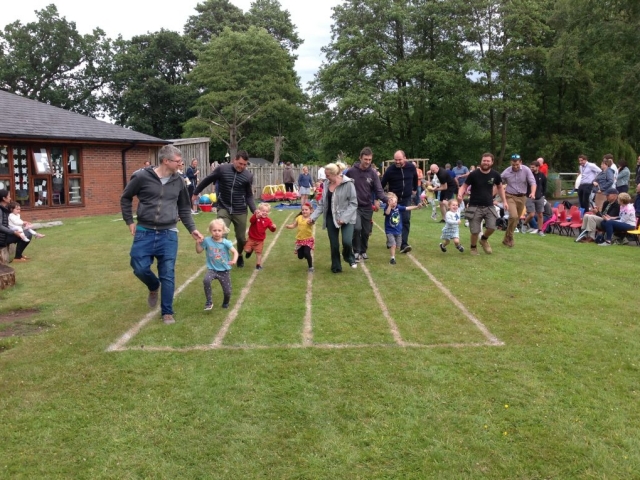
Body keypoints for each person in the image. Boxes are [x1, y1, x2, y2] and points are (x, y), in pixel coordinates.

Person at [120, 145, 204, 325]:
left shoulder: (179, 181)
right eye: (178, 161)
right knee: (139, 267)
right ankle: (153, 285)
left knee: (167, 272)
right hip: (144, 231)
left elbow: (184, 207)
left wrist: (192, 229)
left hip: (169, 233)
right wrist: (129, 220)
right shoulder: (142, 177)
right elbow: (126, 197)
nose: (181, 164)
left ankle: (167, 312)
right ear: (166, 161)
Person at [192, 151, 256, 268]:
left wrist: (254, 210)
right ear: (234, 160)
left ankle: (240, 255)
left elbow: (249, 196)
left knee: (241, 238)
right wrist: (196, 192)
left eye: (244, 165)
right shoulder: (222, 169)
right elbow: (208, 179)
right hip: (224, 207)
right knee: (221, 235)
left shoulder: (248, 176)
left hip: (240, 209)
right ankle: (223, 260)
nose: (241, 166)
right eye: (240, 163)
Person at [309, 163, 358, 273]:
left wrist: (344, 218)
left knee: (347, 242)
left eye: (328, 175)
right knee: (334, 244)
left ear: (335, 174)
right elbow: (322, 204)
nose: (325, 177)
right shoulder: (326, 184)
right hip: (331, 217)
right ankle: (336, 266)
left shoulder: (348, 184)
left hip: (347, 217)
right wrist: (313, 218)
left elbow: (353, 203)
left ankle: (348, 256)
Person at [457, 152, 507, 255]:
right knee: (475, 231)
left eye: (488, 161)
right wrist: (460, 194)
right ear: (481, 161)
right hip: (474, 205)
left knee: (492, 227)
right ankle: (473, 248)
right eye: (484, 160)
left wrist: (505, 201)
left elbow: (500, 188)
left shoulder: (495, 175)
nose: (485, 162)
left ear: (492, 162)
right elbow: (464, 186)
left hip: (489, 205)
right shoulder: (474, 174)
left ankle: (483, 239)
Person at [345, 147, 388, 262]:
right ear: (360, 158)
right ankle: (356, 251)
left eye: (369, 160)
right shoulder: (351, 172)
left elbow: (379, 190)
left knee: (366, 231)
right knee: (357, 228)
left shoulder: (373, 174)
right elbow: (344, 186)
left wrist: (386, 200)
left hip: (367, 206)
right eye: (365, 159)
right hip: (354, 206)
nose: (367, 162)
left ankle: (363, 251)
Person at [196, 218, 238, 310]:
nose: (217, 232)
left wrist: (234, 260)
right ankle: (209, 302)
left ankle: (226, 303)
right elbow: (199, 251)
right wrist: (197, 243)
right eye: (214, 230)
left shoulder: (225, 242)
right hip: (212, 269)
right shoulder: (207, 241)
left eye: (219, 230)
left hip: (224, 271)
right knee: (206, 280)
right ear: (211, 231)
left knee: (227, 292)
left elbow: (235, 252)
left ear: (223, 231)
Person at [380, 150, 418, 253]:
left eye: (399, 159)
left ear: (405, 158)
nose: (397, 162)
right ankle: (390, 240)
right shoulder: (390, 170)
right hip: (393, 200)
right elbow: (381, 184)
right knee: (392, 220)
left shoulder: (411, 167)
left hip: (406, 198)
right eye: (395, 160)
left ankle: (403, 244)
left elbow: (415, 177)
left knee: (405, 220)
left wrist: (414, 188)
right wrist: (381, 197)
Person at [500, 154, 536, 248]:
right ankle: (511, 237)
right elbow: (498, 181)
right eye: (513, 165)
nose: (515, 167)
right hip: (510, 196)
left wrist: (532, 192)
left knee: (516, 218)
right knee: (513, 216)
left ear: (521, 162)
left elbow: (532, 182)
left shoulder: (526, 170)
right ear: (510, 163)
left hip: (522, 197)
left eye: (517, 165)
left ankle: (506, 238)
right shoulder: (507, 171)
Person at [381, 192, 423, 264]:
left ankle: (389, 243)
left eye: (396, 202)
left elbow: (407, 208)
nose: (395, 203)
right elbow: (387, 213)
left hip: (398, 231)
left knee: (398, 246)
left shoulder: (398, 207)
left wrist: (416, 206)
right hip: (389, 231)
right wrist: (389, 206)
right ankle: (392, 258)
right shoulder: (387, 208)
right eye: (393, 202)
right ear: (389, 202)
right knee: (393, 245)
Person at [0, 190, 33, 262]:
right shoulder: (0, 210)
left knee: (27, 233)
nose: (10, 198)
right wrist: (13, 232)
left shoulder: (5, 208)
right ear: (4, 198)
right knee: (27, 234)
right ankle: (17, 257)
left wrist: (23, 223)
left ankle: (19, 255)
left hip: (6, 234)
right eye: (8, 196)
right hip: (2, 238)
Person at [244, 203, 277, 270]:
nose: (264, 213)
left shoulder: (268, 220)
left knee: (259, 253)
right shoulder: (256, 216)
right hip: (251, 238)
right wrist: (256, 216)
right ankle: (250, 251)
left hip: (260, 240)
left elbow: (271, 229)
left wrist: (273, 227)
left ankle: (258, 265)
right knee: (246, 250)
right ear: (259, 211)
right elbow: (251, 220)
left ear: (268, 212)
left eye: (266, 211)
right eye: (263, 211)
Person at [285, 202, 315, 272]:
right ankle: (304, 253)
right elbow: (294, 225)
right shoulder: (299, 217)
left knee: (307, 253)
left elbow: (312, 222)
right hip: (300, 240)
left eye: (306, 210)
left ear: (310, 211)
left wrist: (310, 222)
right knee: (300, 257)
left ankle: (310, 267)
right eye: (303, 210)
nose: (304, 211)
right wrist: (289, 226)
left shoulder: (310, 219)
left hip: (308, 240)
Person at [523, 160, 547, 236]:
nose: (531, 168)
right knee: (532, 214)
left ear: (537, 167)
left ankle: (540, 230)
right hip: (530, 197)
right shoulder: (529, 175)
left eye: (533, 167)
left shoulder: (542, 175)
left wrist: (542, 194)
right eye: (530, 167)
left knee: (540, 214)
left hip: (539, 197)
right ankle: (524, 224)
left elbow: (544, 186)